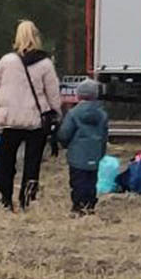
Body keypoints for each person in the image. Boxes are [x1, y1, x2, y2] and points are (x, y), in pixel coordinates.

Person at [0, 19, 61, 211]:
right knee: (32, 162)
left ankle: (5, 198)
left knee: (5, 161)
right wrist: (56, 114)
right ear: (37, 37)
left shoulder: (7, 61)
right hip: (35, 121)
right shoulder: (45, 63)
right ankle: (26, 200)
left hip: (10, 120)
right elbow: (53, 94)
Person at [57, 79, 109, 216]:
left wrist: (63, 144)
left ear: (78, 95)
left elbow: (65, 133)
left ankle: (78, 206)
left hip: (77, 155)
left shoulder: (73, 113)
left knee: (77, 182)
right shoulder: (102, 114)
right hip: (95, 154)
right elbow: (104, 136)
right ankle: (90, 205)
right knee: (91, 182)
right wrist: (101, 152)